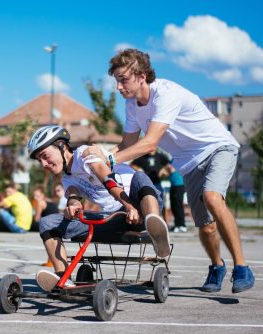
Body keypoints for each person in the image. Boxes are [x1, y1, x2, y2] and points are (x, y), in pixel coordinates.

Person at [99, 48, 254, 293]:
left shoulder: (165, 94)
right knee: (205, 226)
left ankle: (242, 267)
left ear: (141, 76)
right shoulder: (131, 105)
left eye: (123, 79)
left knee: (213, 198)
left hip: (217, 147)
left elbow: (149, 143)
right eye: (116, 80)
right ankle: (217, 266)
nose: (119, 86)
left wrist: (109, 158)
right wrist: (97, 155)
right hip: (189, 162)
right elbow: (127, 145)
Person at [27, 125, 169, 291]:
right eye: (39, 160)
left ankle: (157, 232)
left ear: (61, 146)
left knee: (140, 177)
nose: (43, 163)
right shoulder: (67, 178)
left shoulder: (85, 154)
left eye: (45, 156)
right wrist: (73, 206)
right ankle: (62, 278)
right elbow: (74, 196)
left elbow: (107, 178)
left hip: (141, 206)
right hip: (115, 218)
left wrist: (129, 205)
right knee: (48, 223)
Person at [166, 164, 187, 232]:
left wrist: (167, 168)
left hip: (178, 185)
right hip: (173, 185)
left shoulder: (176, 159)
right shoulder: (172, 160)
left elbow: (172, 170)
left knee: (178, 205)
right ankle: (177, 225)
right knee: (174, 206)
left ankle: (182, 225)